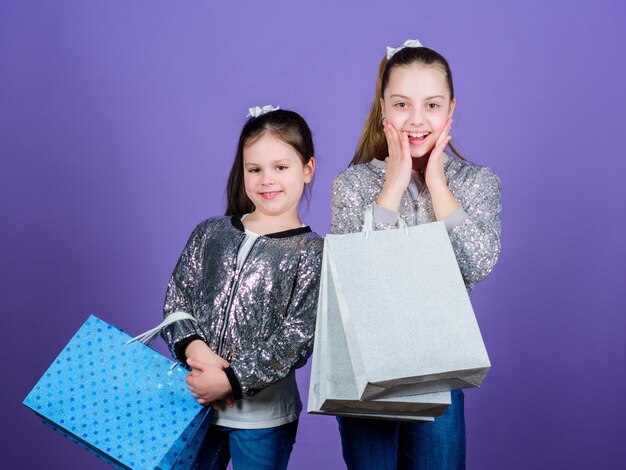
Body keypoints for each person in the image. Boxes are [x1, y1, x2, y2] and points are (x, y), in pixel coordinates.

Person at [331, 39, 502, 469]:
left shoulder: (478, 183)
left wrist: (440, 185)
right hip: (365, 373)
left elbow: (477, 262)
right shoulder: (352, 185)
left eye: (432, 105)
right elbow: (358, 278)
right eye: (402, 104)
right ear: (383, 108)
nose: (417, 119)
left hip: (439, 369)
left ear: (450, 110)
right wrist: (393, 185)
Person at [161, 106, 324, 470]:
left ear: (307, 169)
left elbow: (296, 338)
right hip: (194, 405)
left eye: (281, 167)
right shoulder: (210, 233)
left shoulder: (314, 253)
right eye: (255, 169)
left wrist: (231, 380)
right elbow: (177, 300)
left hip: (264, 420)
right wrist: (195, 349)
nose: (267, 180)